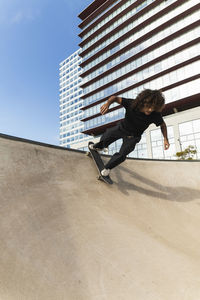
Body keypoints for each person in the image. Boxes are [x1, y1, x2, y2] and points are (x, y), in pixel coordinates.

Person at [89, 89, 170, 176]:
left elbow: (163, 125)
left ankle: (108, 168)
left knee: (123, 153)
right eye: (149, 106)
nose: (150, 110)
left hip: (133, 136)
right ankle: (99, 147)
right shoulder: (132, 104)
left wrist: (165, 139)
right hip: (122, 128)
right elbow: (115, 98)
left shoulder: (155, 115)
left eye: (153, 108)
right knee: (107, 135)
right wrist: (107, 104)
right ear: (143, 102)